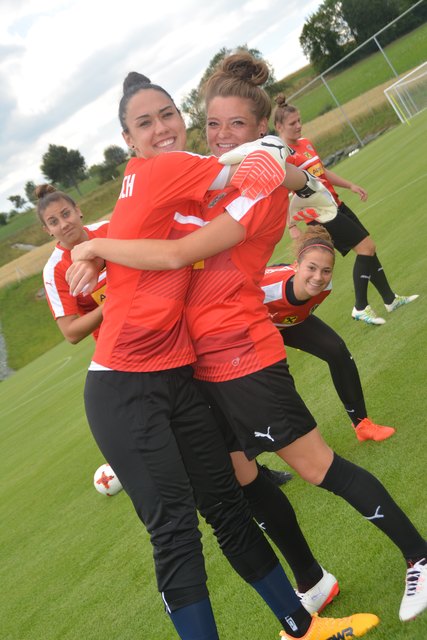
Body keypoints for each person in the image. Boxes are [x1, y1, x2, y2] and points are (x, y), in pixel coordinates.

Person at [70, 53, 426, 626]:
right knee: (239, 478)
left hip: (241, 352)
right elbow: (153, 222)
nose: (220, 135)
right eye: (212, 123)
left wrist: (95, 248)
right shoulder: (205, 175)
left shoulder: (256, 182)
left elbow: (181, 251)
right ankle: (311, 583)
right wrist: (94, 254)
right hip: (201, 363)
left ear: (260, 129)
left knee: (316, 467)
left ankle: (419, 555)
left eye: (236, 125)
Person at [273, 94, 419, 326]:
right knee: (366, 248)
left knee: (370, 249)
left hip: (336, 204)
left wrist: (350, 185)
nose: (299, 125)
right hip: (319, 213)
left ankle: (390, 300)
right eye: (293, 123)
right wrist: (292, 226)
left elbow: (323, 172)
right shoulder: (282, 156)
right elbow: (282, 194)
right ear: (279, 126)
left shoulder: (306, 143)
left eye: (300, 120)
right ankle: (360, 306)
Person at [262, 225, 396, 442]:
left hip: (286, 322)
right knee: (271, 383)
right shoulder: (265, 289)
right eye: (311, 268)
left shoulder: (325, 287)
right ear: (297, 265)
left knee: (336, 350)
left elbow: (295, 314)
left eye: (326, 270)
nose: (318, 277)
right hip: (247, 328)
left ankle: (362, 424)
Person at [39, 184, 108, 343]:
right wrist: (112, 303)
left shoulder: (108, 229)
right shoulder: (54, 270)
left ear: (78, 211)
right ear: (47, 230)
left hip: (152, 318)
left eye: (66, 214)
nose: (64, 224)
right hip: (118, 344)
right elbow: (71, 333)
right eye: (54, 222)